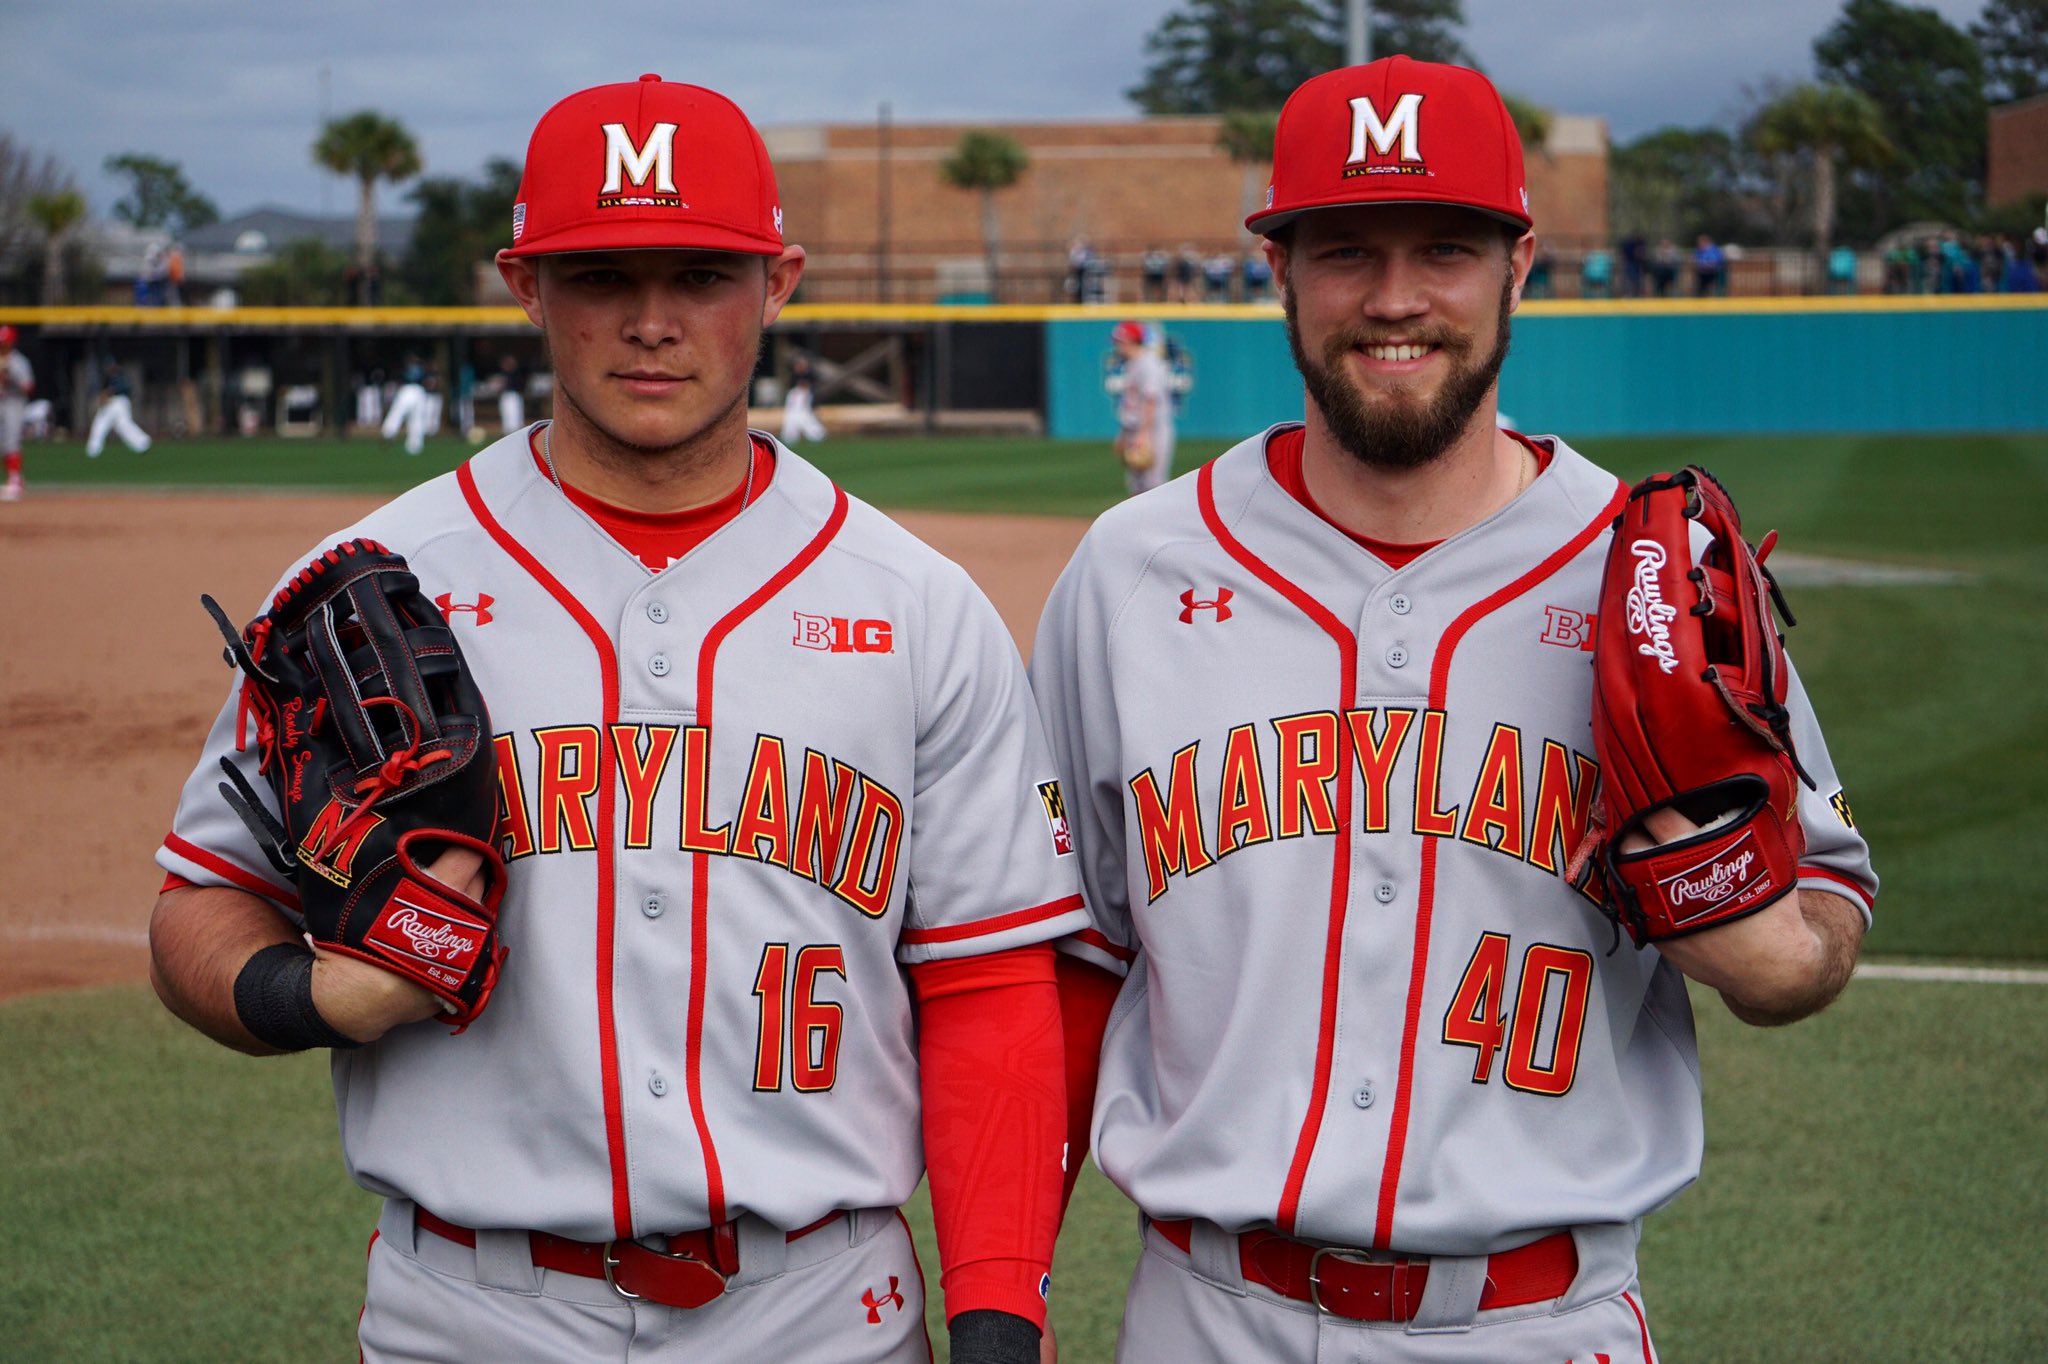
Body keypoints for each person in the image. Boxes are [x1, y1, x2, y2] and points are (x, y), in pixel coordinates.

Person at [148, 73, 1083, 1364]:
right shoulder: (378, 586)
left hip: (822, 1313)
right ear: (524, 284)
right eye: (601, 278)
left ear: (780, 280)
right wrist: (311, 994)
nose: (651, 323)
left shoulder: (917, 606)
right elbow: (197, 899)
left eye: (700, 273)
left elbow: (985, 980)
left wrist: (994, 1310)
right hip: (469, 1313)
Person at [1032, 57, 1875, 1363]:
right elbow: (1054, 966)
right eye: (1345, 251)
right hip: (1205, 1318)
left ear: (1519, 262)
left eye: (1444, 249)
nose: (1394, 298)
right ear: (1280, 271)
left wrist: (1749, 933)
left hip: (1541, 1325)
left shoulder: (1652, 577)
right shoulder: (1131, 575)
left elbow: (1815, 929)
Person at [1108, 319, 1174, 496]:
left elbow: (1150, 400)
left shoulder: (1148, 364)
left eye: (1119, 341)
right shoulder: (1132, 364)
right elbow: (1131, 405)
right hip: (1134, 430)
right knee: (1136, 486)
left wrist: (1143, 434)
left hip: (1153, 430)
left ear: (1130, 340)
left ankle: (1159, 524)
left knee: (1154, 485)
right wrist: (1123, 435)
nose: (1116, 345)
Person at [85, 359, 153, 457]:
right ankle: (143, 442)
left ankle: (93, 450)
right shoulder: (110, 377)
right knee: (122, 425)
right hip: (116, 402)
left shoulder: (119, 376)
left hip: (117, 402)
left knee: (102, 423)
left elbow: (124, 388)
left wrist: (108, 392)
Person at [0, 325, 33, 501]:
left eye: (5, 342)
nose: (3, 345)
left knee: (11, 441)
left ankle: (14, 482)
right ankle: (16, 479)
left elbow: (28, 386)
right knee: (2, 444)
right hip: (1, 403)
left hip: (14, 404)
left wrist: (10, 375)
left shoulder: (19, 362)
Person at [380, 352, 430, 455]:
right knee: (399, 413)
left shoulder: (419, 368)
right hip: (409, 390)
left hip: (416, 390)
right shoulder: (408, 368)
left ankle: (413, 444)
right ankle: (389, 433)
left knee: (415, 418)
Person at [778, 355, 827, 445]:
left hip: (805, 398)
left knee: (804, 417)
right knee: (792, 417)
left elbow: (813, 387)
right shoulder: (794, 375)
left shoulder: (810, 374)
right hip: (796, 398)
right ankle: (790, 436)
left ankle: (816, 434)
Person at [495, 352, 528, 433]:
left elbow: (520, 386)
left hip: (514, 396)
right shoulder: (504, 374)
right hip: (506, 396)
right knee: (507, 417)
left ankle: (516, 433)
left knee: (515, 417)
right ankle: (508, 433)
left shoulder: (516, 374)